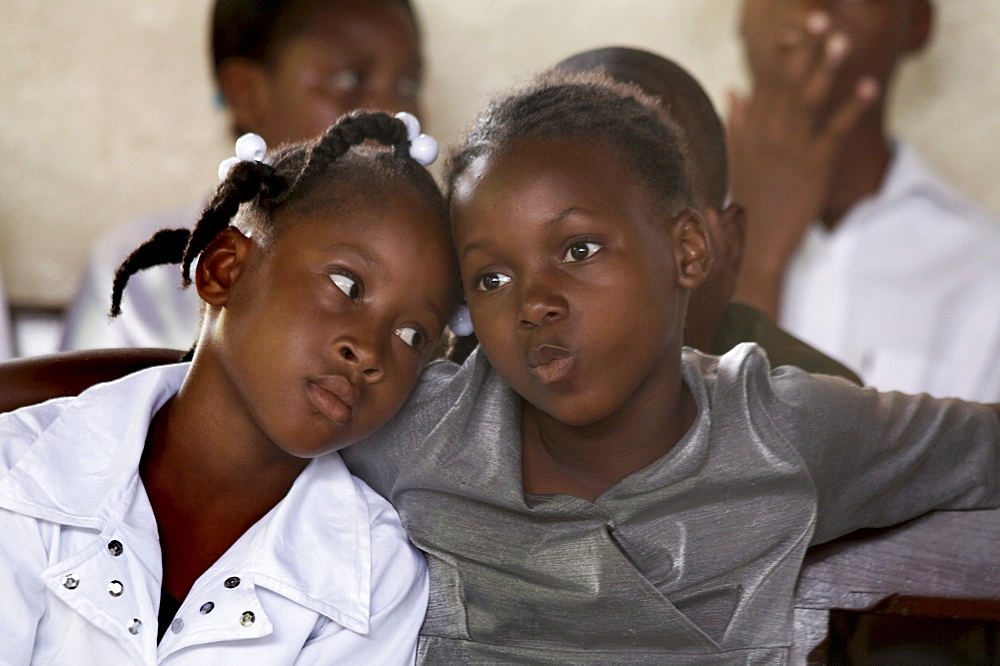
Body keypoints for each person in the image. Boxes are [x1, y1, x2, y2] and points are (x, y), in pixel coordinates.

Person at [4, 71, 1000, 662]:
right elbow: (214, 390)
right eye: (488, 276)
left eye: (578, 250)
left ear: (688, 253)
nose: (536, 303)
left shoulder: (788, 428)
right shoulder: (420, 415)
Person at [0, 111, 458, 662]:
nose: (369, 351)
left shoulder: (377, 580)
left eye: (413, 334)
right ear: (223, 270)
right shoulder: (19, 473)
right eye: (346, 284)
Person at [60, 0, 425, 352]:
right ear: (246, 93)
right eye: (349, 80)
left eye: (409, 85)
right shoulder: (143, 275)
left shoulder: (425, 280)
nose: (395, 115)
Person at [729, 0, 1000, 401]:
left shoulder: (985, 271)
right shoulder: (652, 240)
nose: (814, 6)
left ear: (917, 23)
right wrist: (757, 256)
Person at [555, 46, 861, 383]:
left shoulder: (815, 401)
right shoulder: (496, 365)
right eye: (577, 249)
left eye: (584, 249)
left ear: (722, 244)